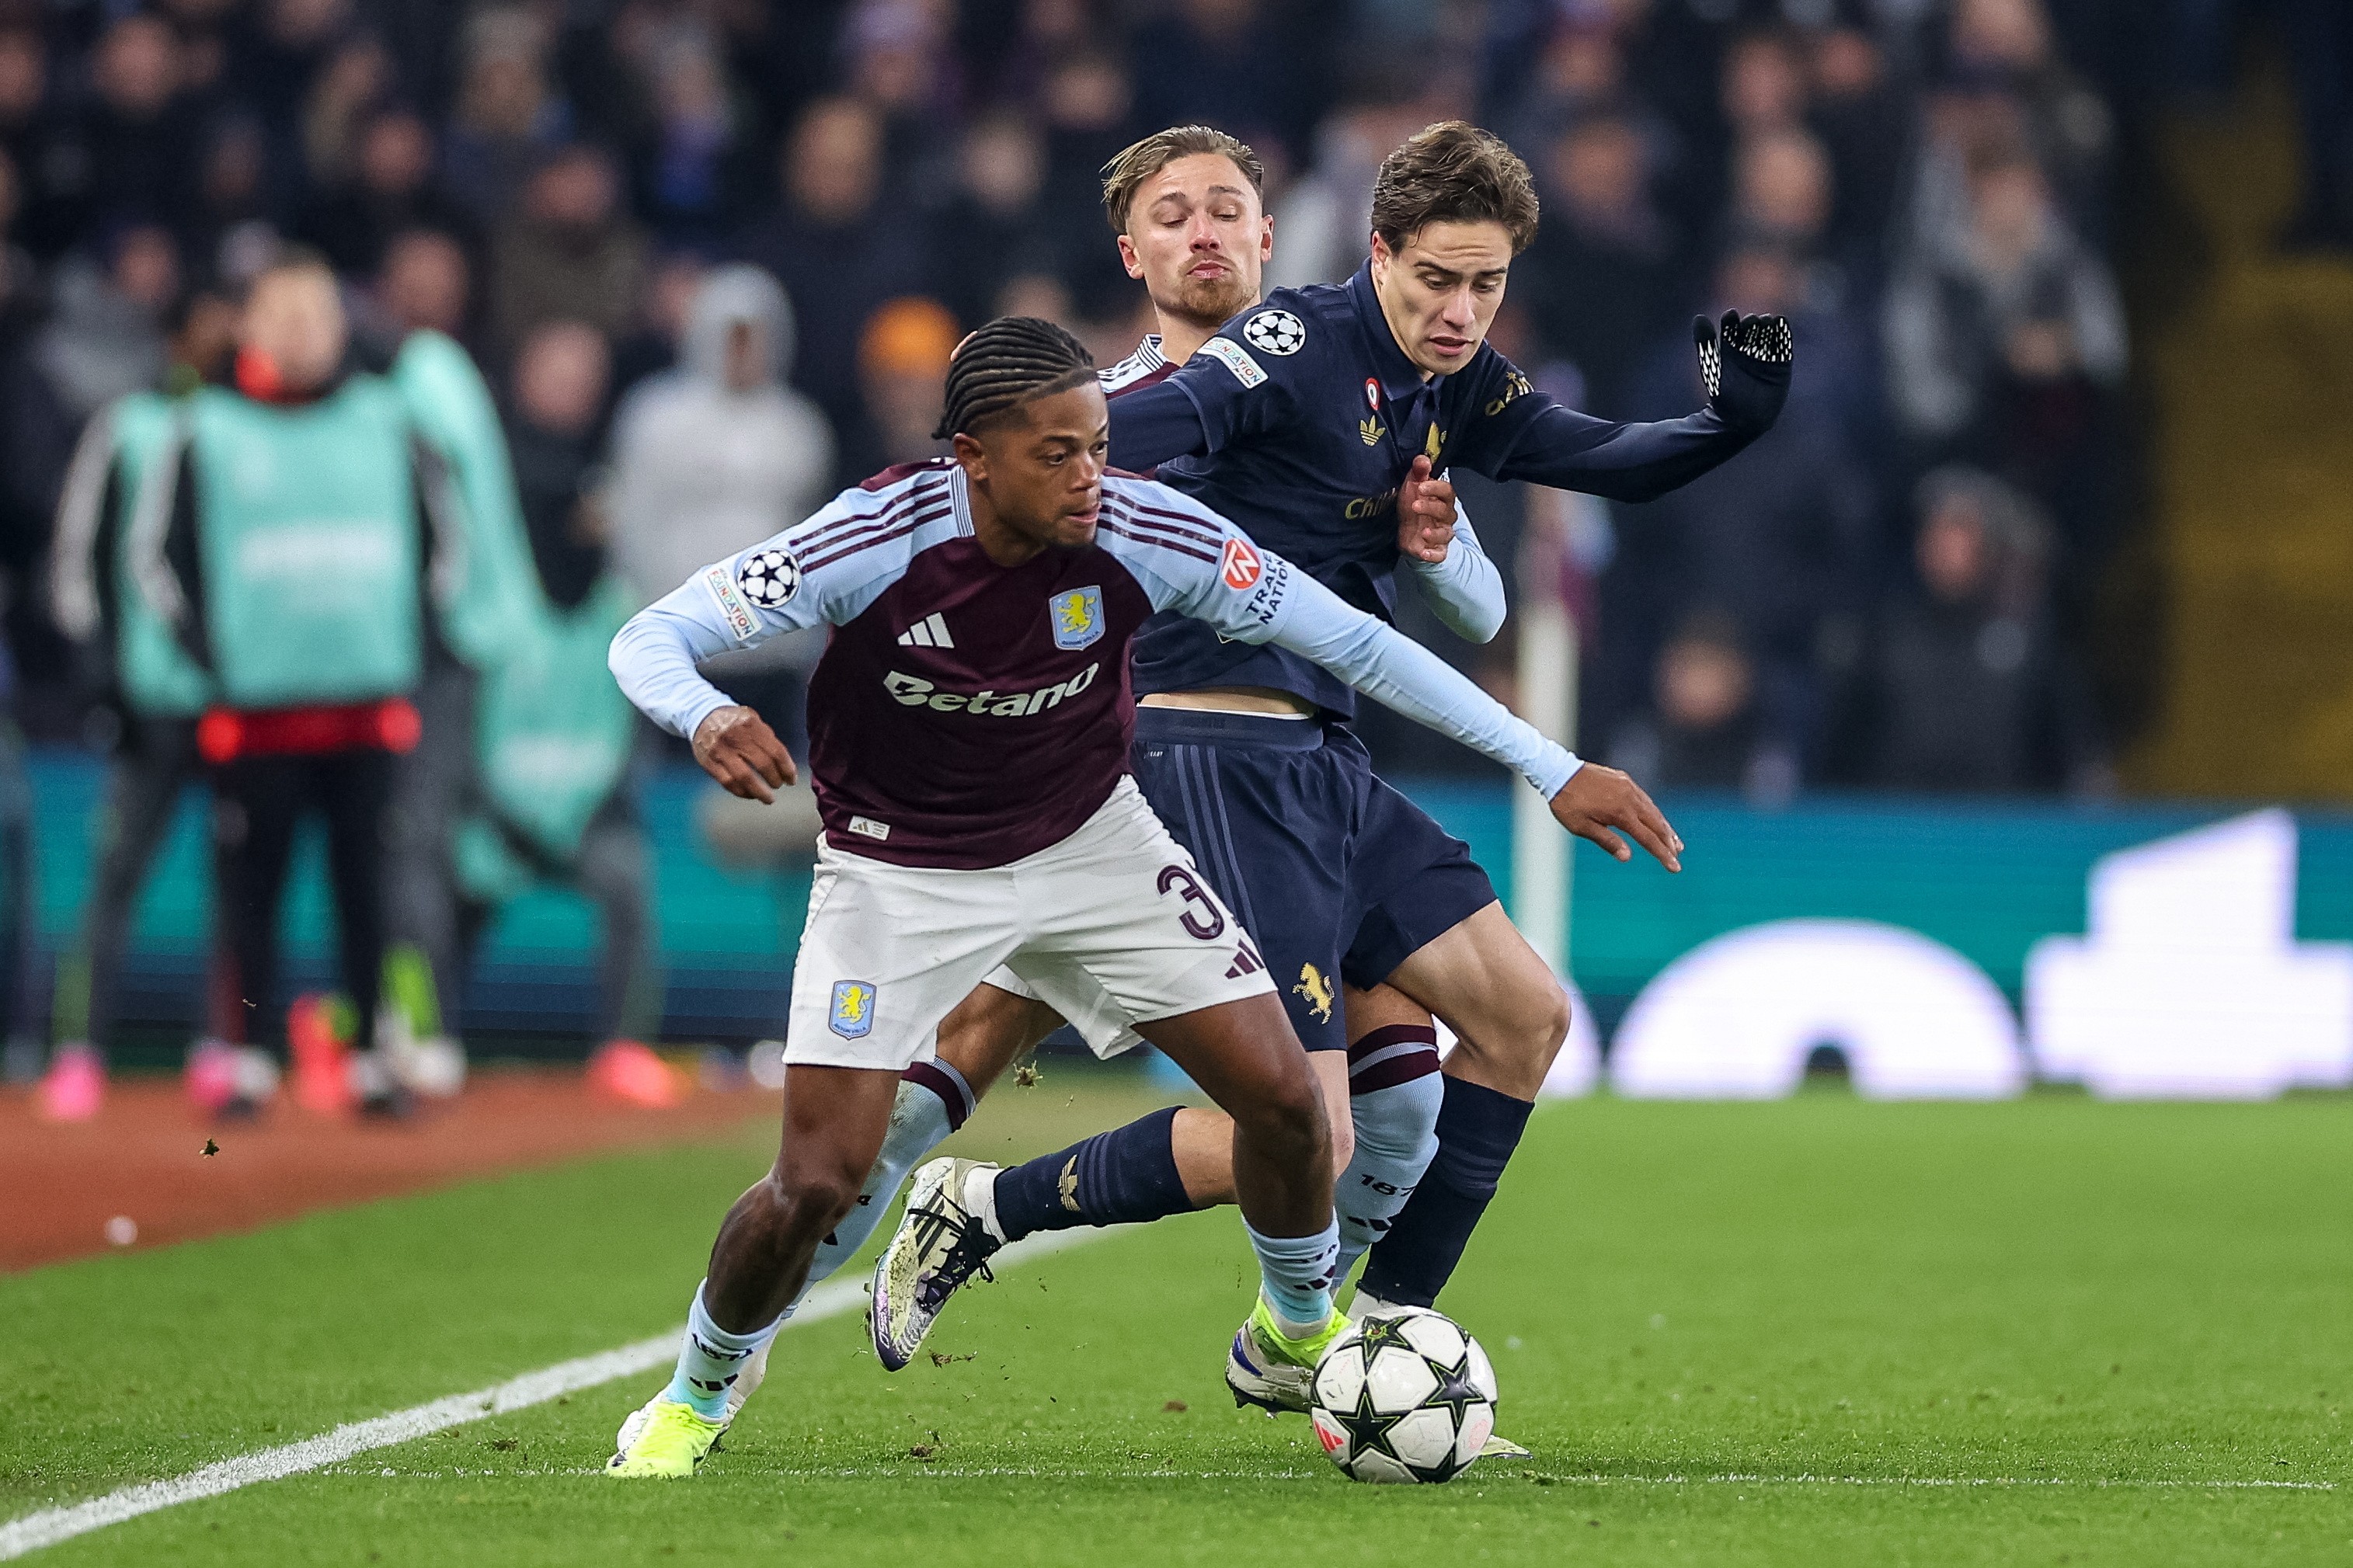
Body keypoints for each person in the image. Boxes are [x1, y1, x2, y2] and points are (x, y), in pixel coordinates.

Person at [600, 315, 1679, 1479]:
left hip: (1092, 845)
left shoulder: (1145, 526)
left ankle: (1302, 1325)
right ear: (969, 455)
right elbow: (652, 635)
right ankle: (696, 1391)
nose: (1089, 478)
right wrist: (704, 710)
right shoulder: (874, 534)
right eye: (1055, 453)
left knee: (1285, 1102)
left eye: (1100, 445)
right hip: (898, 869)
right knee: (816, 1173)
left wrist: (1551, 762)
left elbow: (1357, 647)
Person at [863, 121, 1787, 1393]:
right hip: (1207, 747)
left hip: (1325, 760)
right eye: (1434, 282)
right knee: (1309, 1122)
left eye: (1486, 284)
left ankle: (1377, 1346)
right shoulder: (1294, 341)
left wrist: (1727, 423)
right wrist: (997, 467)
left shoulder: (1453, 386)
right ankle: (981, 1203)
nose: (1460, 312)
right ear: (1377, 253)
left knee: (1521, 1018)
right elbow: (1161, 412)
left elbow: (1606, 462)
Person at [130, 252, 467, 1115]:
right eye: (281, 313)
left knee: (367, 891)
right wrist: (216, 656)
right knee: (252, 897)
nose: (301, 331)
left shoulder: (388, 421)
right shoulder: (204, 429)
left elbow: (444, 542)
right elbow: (156, 559)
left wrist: (408, 641)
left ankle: (367, 1061)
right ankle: (246, 1056)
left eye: (316, 313)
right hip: (254, 716)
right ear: (246, 325)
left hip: (366, 708)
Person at [38, 285, 238, 1121]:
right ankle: (77, 1051)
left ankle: (222, 1053)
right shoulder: (125, 426)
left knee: (238, 882)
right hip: (145, 698)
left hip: (238, 699)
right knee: (115, 876)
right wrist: (99, 671)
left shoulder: (250, 437)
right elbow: (77, 557)